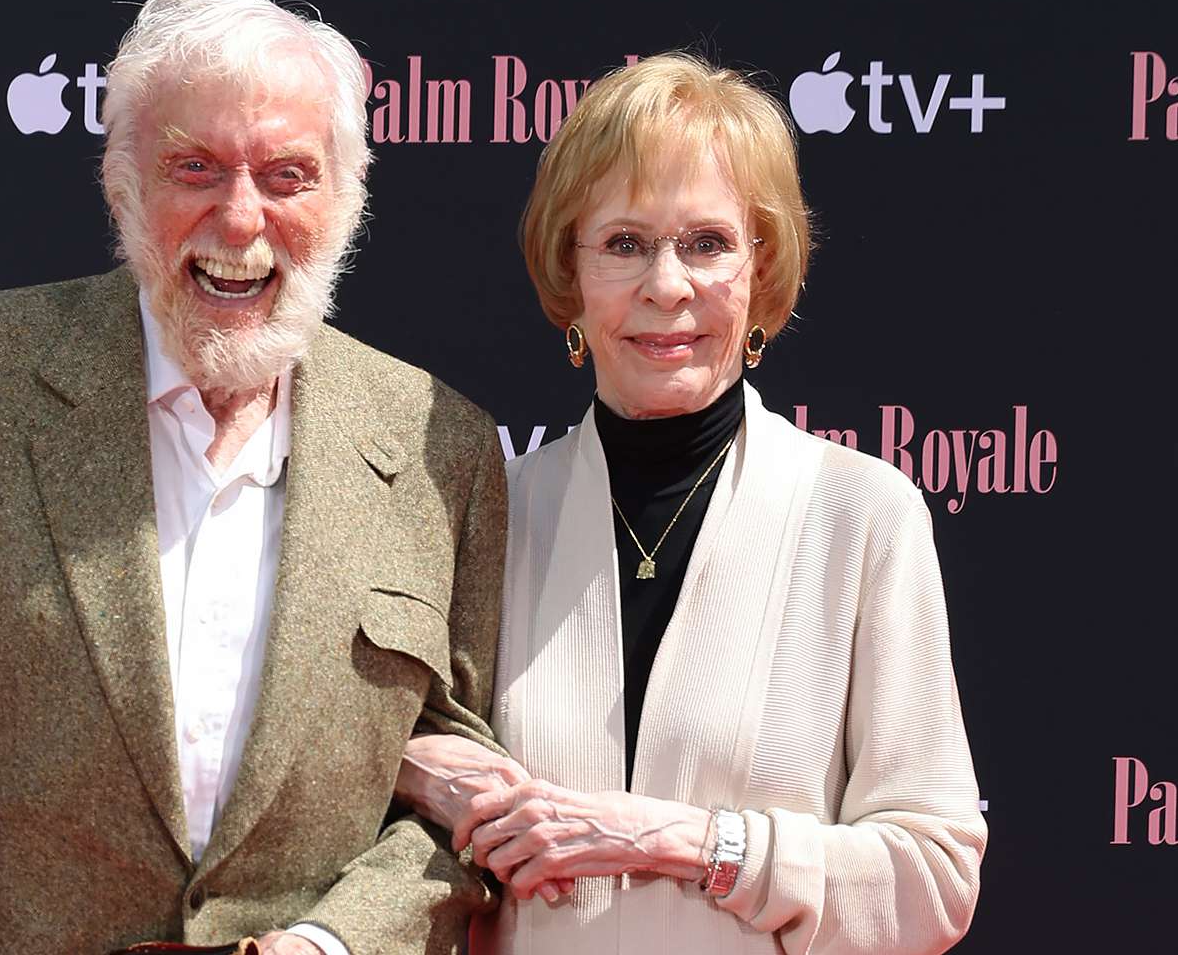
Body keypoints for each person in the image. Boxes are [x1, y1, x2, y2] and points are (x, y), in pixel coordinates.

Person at [0, 0, 507, 955]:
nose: (240, 218)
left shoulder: (438, 442)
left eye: (287, 174)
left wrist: (336, 941)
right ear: (122, 180)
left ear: (345, 198)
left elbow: (461, 805)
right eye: (194, 167)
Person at [393, 53, 986, 955]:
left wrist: (689, 842)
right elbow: (338, 761)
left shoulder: (862, 516)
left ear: (762, 266)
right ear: (571, 275)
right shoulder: (490, 515)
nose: (666, 286)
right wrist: (420, 774)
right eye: (625, 244)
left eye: (706, 243)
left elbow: (933, 879)